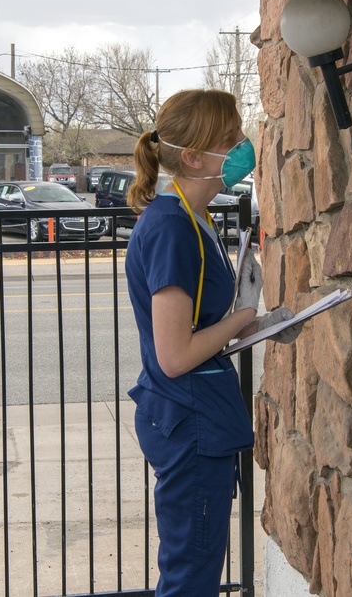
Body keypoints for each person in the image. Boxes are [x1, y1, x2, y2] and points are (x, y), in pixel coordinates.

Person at [125, 89, 301, 596]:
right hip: (190, 422)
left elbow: (200, 327)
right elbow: (176, 355)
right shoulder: (173, 229)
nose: (243, 146)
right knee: (191, 578)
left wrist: (257, 325)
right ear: (194, 157)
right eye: (232, 139)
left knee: (195, 568)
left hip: (197, 417)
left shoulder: (194, 218)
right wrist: (245, 315)